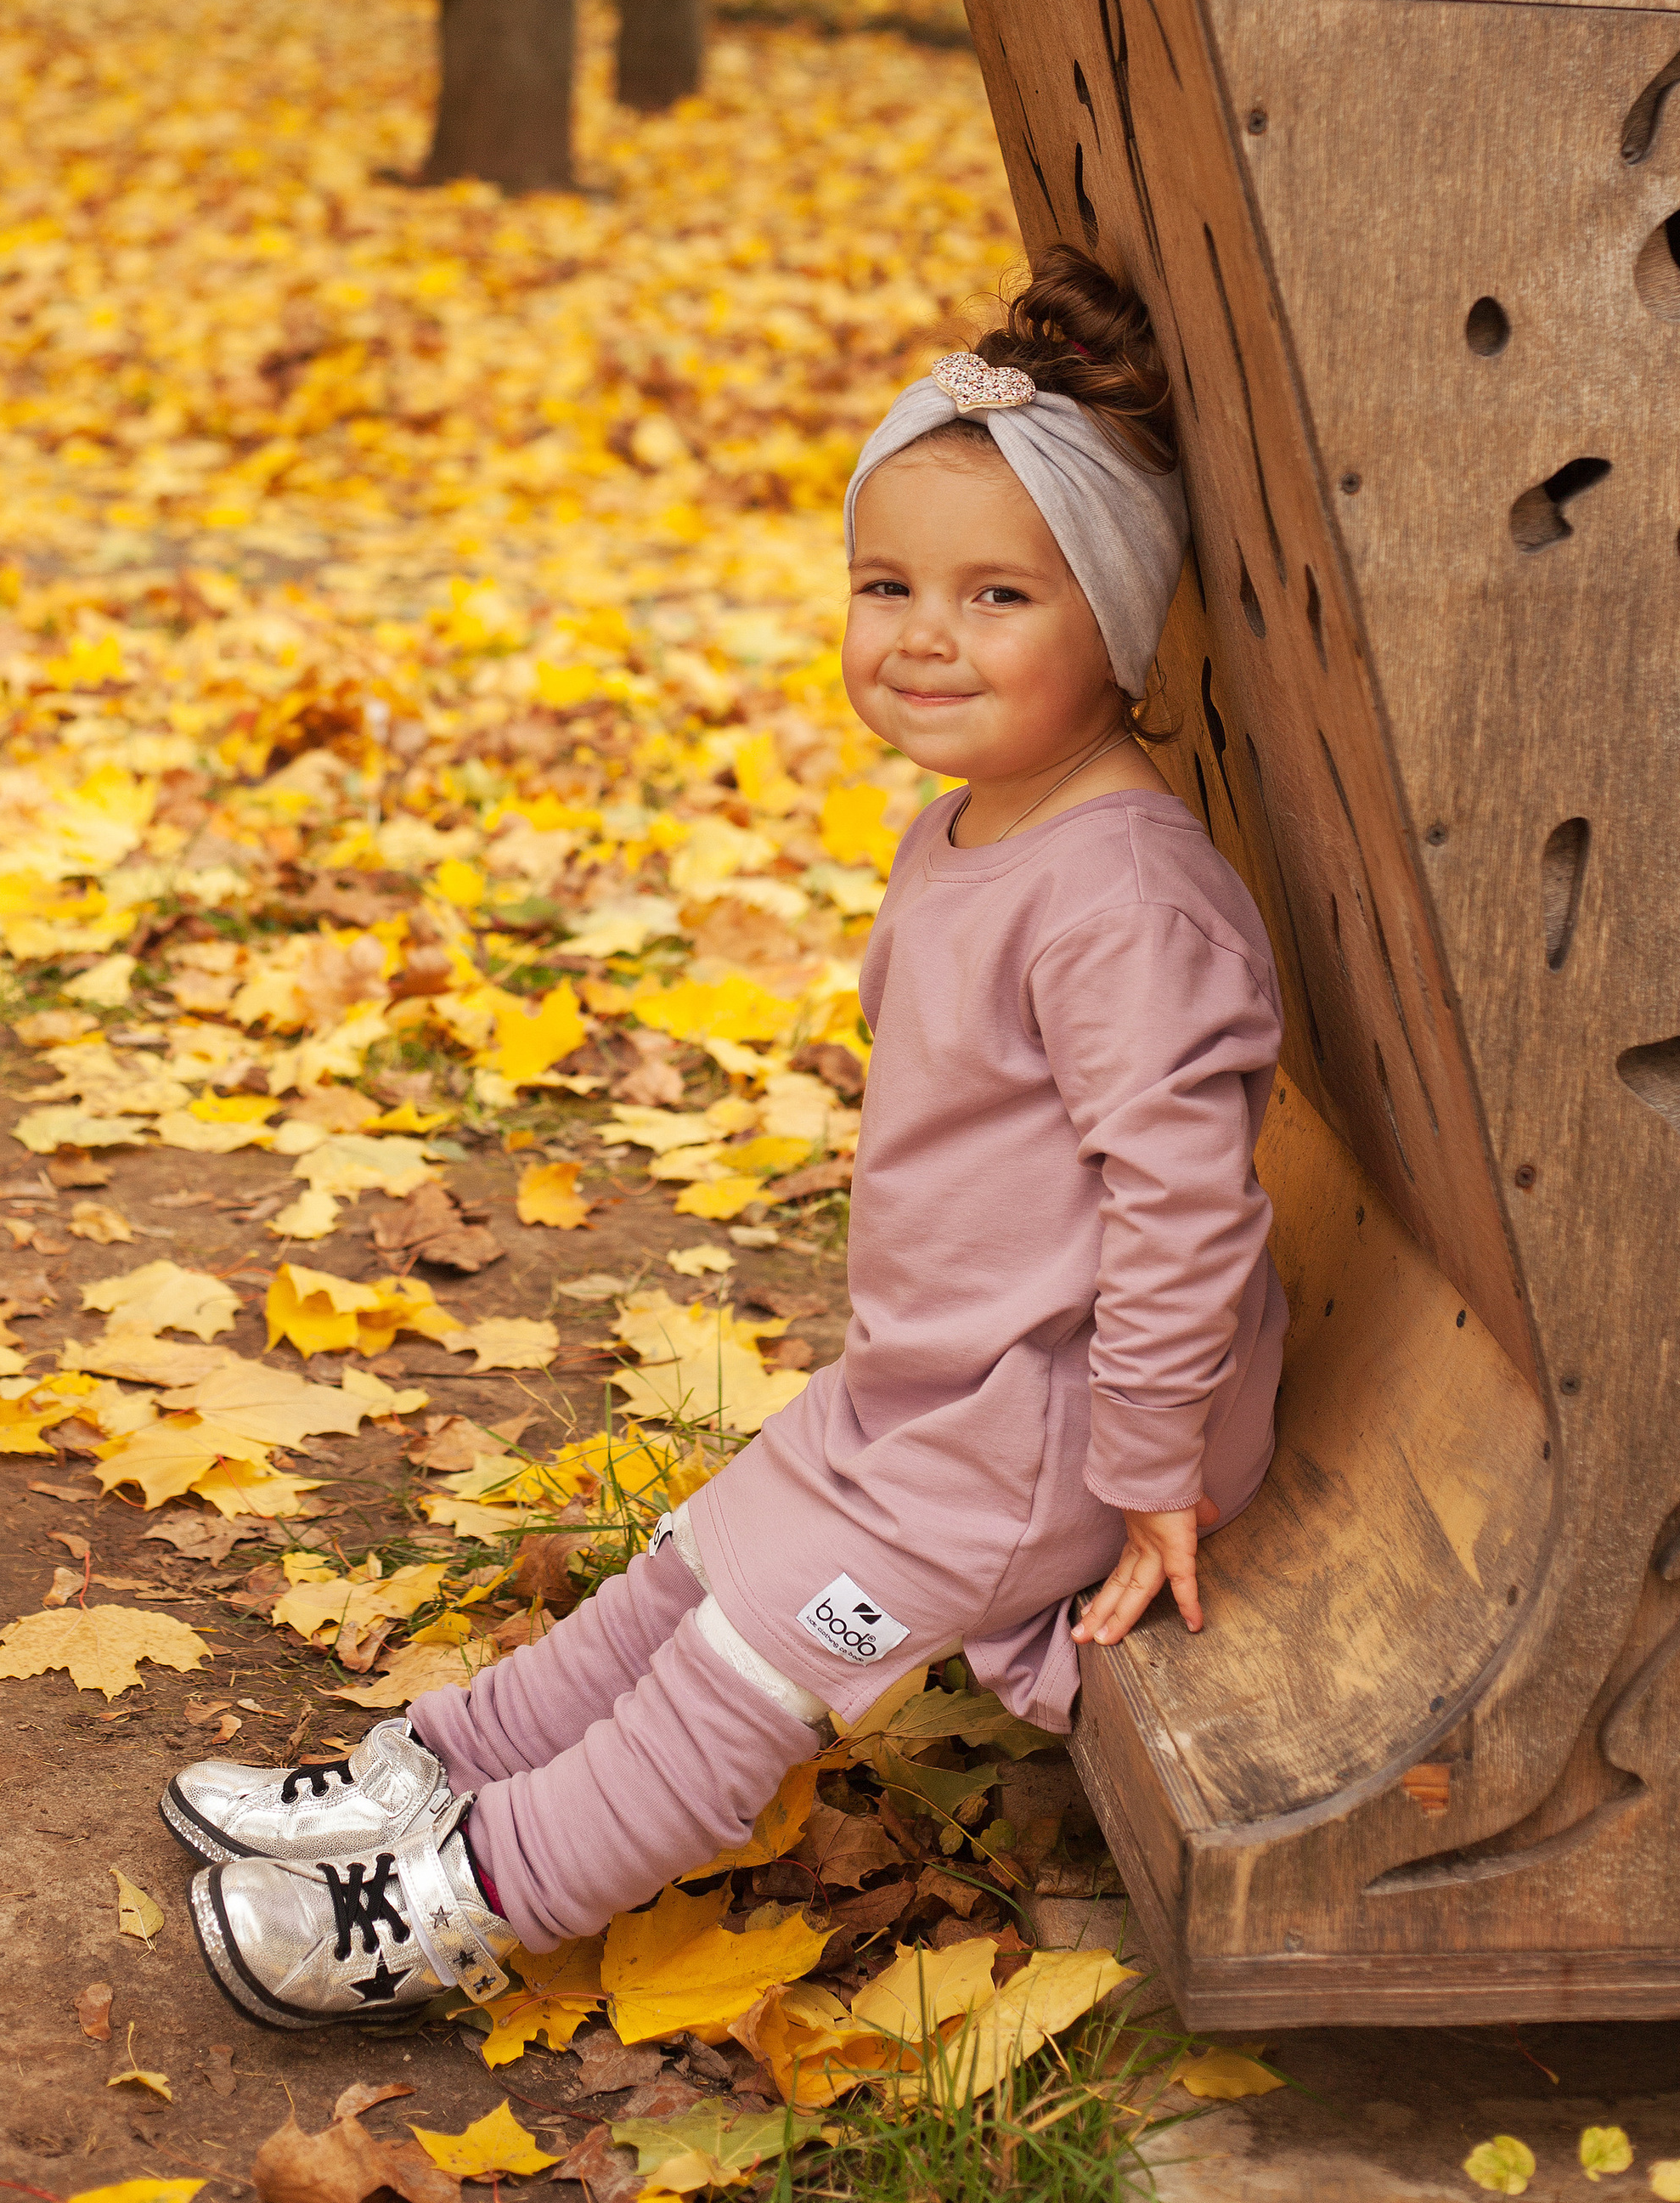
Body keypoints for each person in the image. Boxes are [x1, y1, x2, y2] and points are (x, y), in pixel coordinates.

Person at [163, 246, 1288, 2031]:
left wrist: (1151, 1459)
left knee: (746, 1668)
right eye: (885, 585)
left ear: (1119, 626)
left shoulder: (1125, 897)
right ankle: (438, 1768)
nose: (922, 636)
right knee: (692, 1567)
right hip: (934, 1386)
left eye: (998, 595)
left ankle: (472, 1901)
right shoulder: (976, 822)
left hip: (1050, 1437)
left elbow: (1185, 1203)